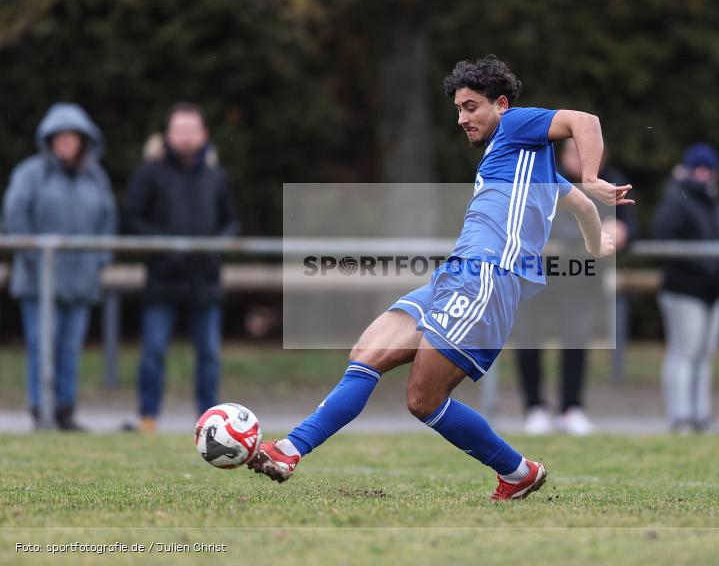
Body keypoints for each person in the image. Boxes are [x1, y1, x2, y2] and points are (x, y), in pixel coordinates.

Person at [247, 55, 633, 501]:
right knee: (367, 353)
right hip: (454, 274)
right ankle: (289, 449)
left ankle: (517, 471)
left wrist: (591, 176)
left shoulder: (514, 125)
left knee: (423, 400)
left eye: (471, 107)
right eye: (457, 109)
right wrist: (595, 244)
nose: (462, 118)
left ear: (501, 105)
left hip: (487, 279)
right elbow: (584, 208)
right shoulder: (522, 161)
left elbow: (585, 120)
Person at [123, 103, 239, 433]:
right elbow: (131, 218)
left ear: (204, 135)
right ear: (168, 135)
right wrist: (165, 247)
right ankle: (148, 418)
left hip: (205, 281)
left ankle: (209, 422)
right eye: (180, 130)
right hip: (163, 280)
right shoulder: (149, 174)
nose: (186, 137)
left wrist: (214, 248)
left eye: (192, 130)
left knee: (209, 356)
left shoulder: (216, 176)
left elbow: (231, 222)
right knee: (154, 351)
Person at [2, 103, 116, 430]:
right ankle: (42, 410)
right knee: (41, 347)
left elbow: (107, 221)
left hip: (80, 281)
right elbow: (15, 218)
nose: (66, 143)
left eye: (72, 137)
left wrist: (99, 260)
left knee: (70, 349)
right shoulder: (29, 174)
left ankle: (65, 410)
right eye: (59, 137)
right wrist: (36, 260)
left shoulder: (96, 177)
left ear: (83, 141)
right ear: (49, 140)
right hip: (39, 281)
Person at [516, 139, 638, 435]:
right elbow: (553, 227)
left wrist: (622, 231)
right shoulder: (545, 178)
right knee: (530, 339)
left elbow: (628, 225)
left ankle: (571, 408)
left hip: (582, 279)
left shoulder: (611, 181)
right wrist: (596, 230)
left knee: (576, 340)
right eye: (575, 153)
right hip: (540, 276)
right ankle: (535, 407)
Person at [651, 143, 719, 433]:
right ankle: (681, 417)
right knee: (684, 352)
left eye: (708, 169)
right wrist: (704, 266)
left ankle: (701, 415)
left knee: (704, 355)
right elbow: (665, 240)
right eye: (698, 168)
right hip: (685, 289)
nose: (703, 174)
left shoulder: (715, 201)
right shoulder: (676, 199)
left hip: (712, 291)